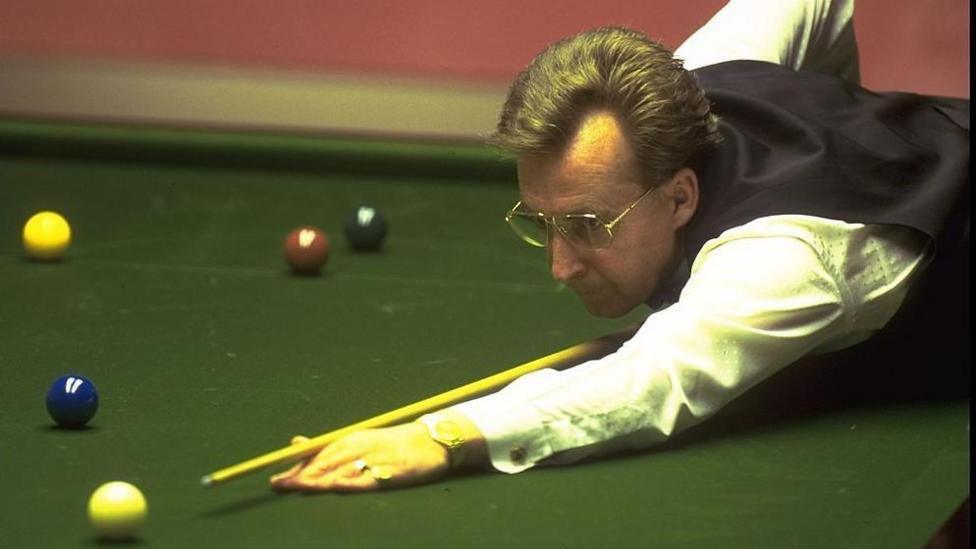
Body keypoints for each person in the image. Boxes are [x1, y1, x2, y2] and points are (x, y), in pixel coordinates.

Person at [271, 0, 969, 492]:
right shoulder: (691, 77)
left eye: (587, 224)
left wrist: (443, 435)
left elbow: (652, 381)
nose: (559, 266)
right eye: (542, 222)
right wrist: (839, 114)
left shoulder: (787, 257)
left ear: (680, 197)